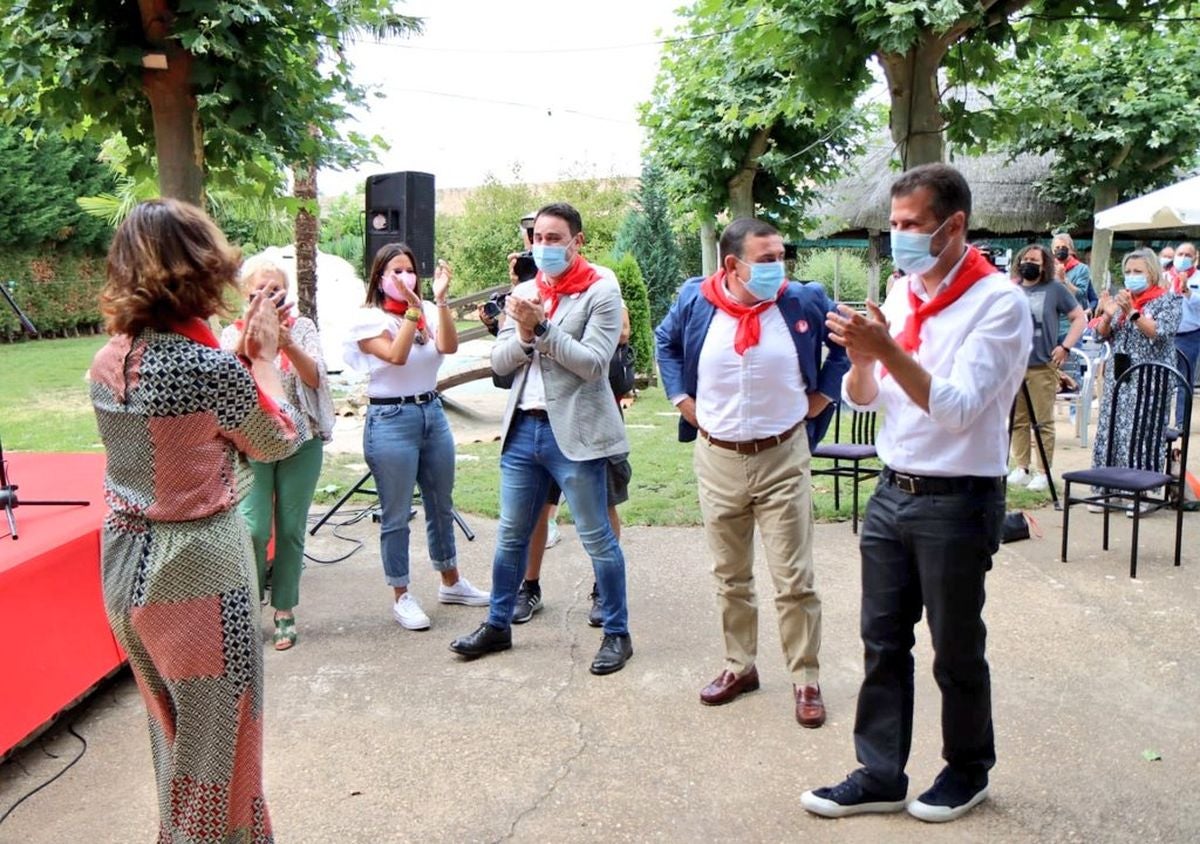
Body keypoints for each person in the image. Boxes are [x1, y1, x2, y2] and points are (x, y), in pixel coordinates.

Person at [801, 164, 1032, 823]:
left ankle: (967, 770)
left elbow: (957, 408)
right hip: (892, 488)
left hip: (958, 498)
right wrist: (868, 359)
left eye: (911, 225)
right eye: (894, 224)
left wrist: (887, 349)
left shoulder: (998, 303)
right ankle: (880, 773)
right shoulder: (901, 292)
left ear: (953, 225)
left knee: (955, 647)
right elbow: (864, 397)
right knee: (881, 640)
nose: (899, 237)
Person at [90, 199, 308, 842]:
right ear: (199, 268)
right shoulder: (207, 368)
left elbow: (191, 425)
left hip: (125, 565)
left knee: (174, 737)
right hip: (199, 571)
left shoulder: (108, 360)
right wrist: (263, 358)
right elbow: (275, 440)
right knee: (221, 755)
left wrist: (236, 361)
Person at [655, 218, 848, 726]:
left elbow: (843, 344)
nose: (777, 268)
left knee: (794, 579)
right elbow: (665, 342)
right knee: (730, 576)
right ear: (732, 265)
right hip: (717, 458)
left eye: (780, 256)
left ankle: (805, 678)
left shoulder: (801, 301)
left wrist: (825, 394)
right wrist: (680, 398)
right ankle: (740, 667)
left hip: (783, 455)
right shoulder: (696, 300)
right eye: (766, 260)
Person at [449, 202, 633, 675]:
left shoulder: (601, 288)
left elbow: (594, 363)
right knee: (510, 536)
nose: (544, 246)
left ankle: (617, 632)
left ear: (578, 241)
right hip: (523, 429)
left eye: (555, 238)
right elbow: (500, 360)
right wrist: (527, 334)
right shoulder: (525, 291)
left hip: (576, 433)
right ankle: (498, 624)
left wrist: (542, 326)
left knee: (597, 538)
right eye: (538, 239)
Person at [344, 243, 489, 630]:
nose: (406, 277)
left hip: (431, 411)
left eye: (410, 269)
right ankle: (401, 594)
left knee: (441, 504)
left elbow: (448, 346)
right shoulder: (368, 319)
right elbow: (395, 355)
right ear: (379, 278)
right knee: (396, 514)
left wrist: (438, 302)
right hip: (390, 417)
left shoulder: (424, 309)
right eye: (396, 271)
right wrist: (411, 310)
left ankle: (451, 581)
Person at [220, 258, 335, 650]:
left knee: (289, 529)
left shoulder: (302, 327)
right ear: (245, 295)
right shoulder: (228, 334)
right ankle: (249, 607)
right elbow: (226, 382)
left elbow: (315, 378)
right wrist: (251, 340)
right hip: (251, 444)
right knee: (252, 528)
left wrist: (287, 343)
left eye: (275, 291)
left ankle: (284, 609)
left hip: (301, 440)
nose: (268, 298)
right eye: (259, 291)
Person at [1088, 248, 1183, 514]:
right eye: (1128, 272)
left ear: (1152, 273)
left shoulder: (1168, 301)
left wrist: (1133, 313)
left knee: (1140, 435)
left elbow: (1159, 333)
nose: (1132, 277)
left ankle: (1141, 492)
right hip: (1119, 379)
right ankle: (1109, 489)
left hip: (1149, 381)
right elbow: (1100, 335)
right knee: (1112, 431)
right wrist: (1107, 314)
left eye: (1138, 272)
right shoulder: (1123, 299)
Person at [1006, 244, 1087, 492]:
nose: (1028, 262)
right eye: (1025, 258)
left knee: (1042, 421)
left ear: (1045, 264)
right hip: (1014, 365)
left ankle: (1043, 470)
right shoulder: (1012, 288)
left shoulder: (1055, 289)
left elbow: (1079, 317)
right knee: (1017, 419)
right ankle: (1021, 466)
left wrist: (1065, 346)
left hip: (1042, 364)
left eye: (1035, 259)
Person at [1165, 242, 1200, 425]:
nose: (1183, 258)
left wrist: (1187, 291)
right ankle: (1160, 420)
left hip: (1190, 336)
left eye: (1188, 255)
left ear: (1195, 258)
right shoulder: (1164, 278)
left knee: (1184, 380)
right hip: (1165, 335)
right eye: (1180, 253)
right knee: (1162, 378)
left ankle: (1181, 422)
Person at [1051, 233, 1098, 339]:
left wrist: (1064, 280)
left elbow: (1081, 295)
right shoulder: (1048, 268)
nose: (1060, 250)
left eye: (1064, 247)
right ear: (1053, 251)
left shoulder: (1081, 269)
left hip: (1071, 327)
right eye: (1057, 248)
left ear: (1071, 250)